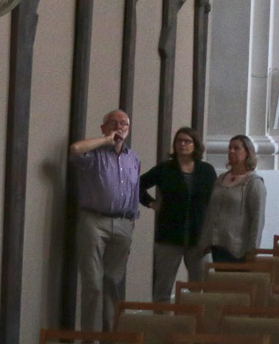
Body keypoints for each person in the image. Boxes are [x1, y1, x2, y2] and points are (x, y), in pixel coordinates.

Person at [68, 109, 141, 330]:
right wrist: (106, 140)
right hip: (94, 221)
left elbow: (134, 190)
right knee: (93, 283)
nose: (120, 127)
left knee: (112, 282)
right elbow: (75, 150)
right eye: (114, 123)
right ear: (103, 127)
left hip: (123, 223)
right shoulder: (94, 154)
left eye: (124, 124)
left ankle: (110, 336)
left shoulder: (133, 158)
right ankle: (89, 339)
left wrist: (132, 219)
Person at [140, 126, 217, 301]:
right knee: (163, 286)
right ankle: (161, 324)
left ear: (195, 145)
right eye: (179, 141)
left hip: (199, 238)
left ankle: (194, 323)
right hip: (169, 236)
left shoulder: (206, 170)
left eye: (187, 141)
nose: (182, 145)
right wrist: (151, 203)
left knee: (200, 287)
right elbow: (138, 185)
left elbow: (215, 201)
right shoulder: (165, 169)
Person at [196, 134, 265, 265]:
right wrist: (204, 241)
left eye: (236, 148)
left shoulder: (253, 183)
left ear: (247, 153)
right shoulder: (221, 178)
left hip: (238, 247)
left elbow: (258, 218)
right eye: (230, 148)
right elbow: (211, 212)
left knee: (235, 283)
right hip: (217, 244)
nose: (231, 151)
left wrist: (253, 249)